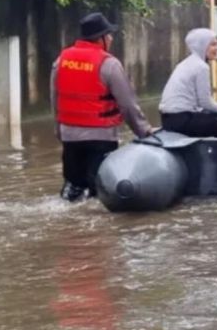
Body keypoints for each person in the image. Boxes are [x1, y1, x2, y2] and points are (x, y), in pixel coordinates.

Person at [52, 12, 152, 202]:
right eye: (109, 34)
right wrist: (144, 131)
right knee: (99, 190)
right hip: (100, 136)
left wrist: (59, 130)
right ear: (101, 39)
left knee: (73, 187)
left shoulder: (61, 60)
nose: (111, 38)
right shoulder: (109, 64)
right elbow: (128, 105)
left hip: (69, 136)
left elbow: (55, 98)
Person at [159, 28, 217, 139]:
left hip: (167, 120)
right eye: (213, 45)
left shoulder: (185, 63)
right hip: (182, 120)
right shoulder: (201, 67)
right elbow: (205, 102)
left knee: (213, 116)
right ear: (201, 46)